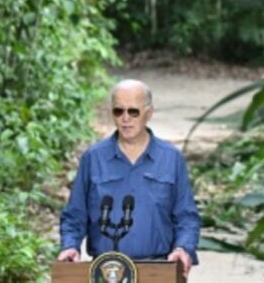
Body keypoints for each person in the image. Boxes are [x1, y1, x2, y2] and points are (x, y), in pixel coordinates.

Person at [57, 79, 200, 278]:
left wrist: (183, 248)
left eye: (133, 111)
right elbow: (75, 214)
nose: (125, 119)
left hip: (158, 270)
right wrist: (70, 246)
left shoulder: (171, 158)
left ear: (149, 113)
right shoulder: (93, 158)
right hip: (105, 271)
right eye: (118, 111)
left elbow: (186, 216)